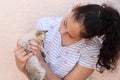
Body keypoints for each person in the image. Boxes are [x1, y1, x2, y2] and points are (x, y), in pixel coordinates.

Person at [14, 3, 120, 80]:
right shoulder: (44, 25)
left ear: (87, 38)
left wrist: (41, 61)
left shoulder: (91, 50)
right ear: (76, 7)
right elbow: (31, 72)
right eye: (65, 23)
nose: (61, 31)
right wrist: (21, 64)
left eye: (71, 35)